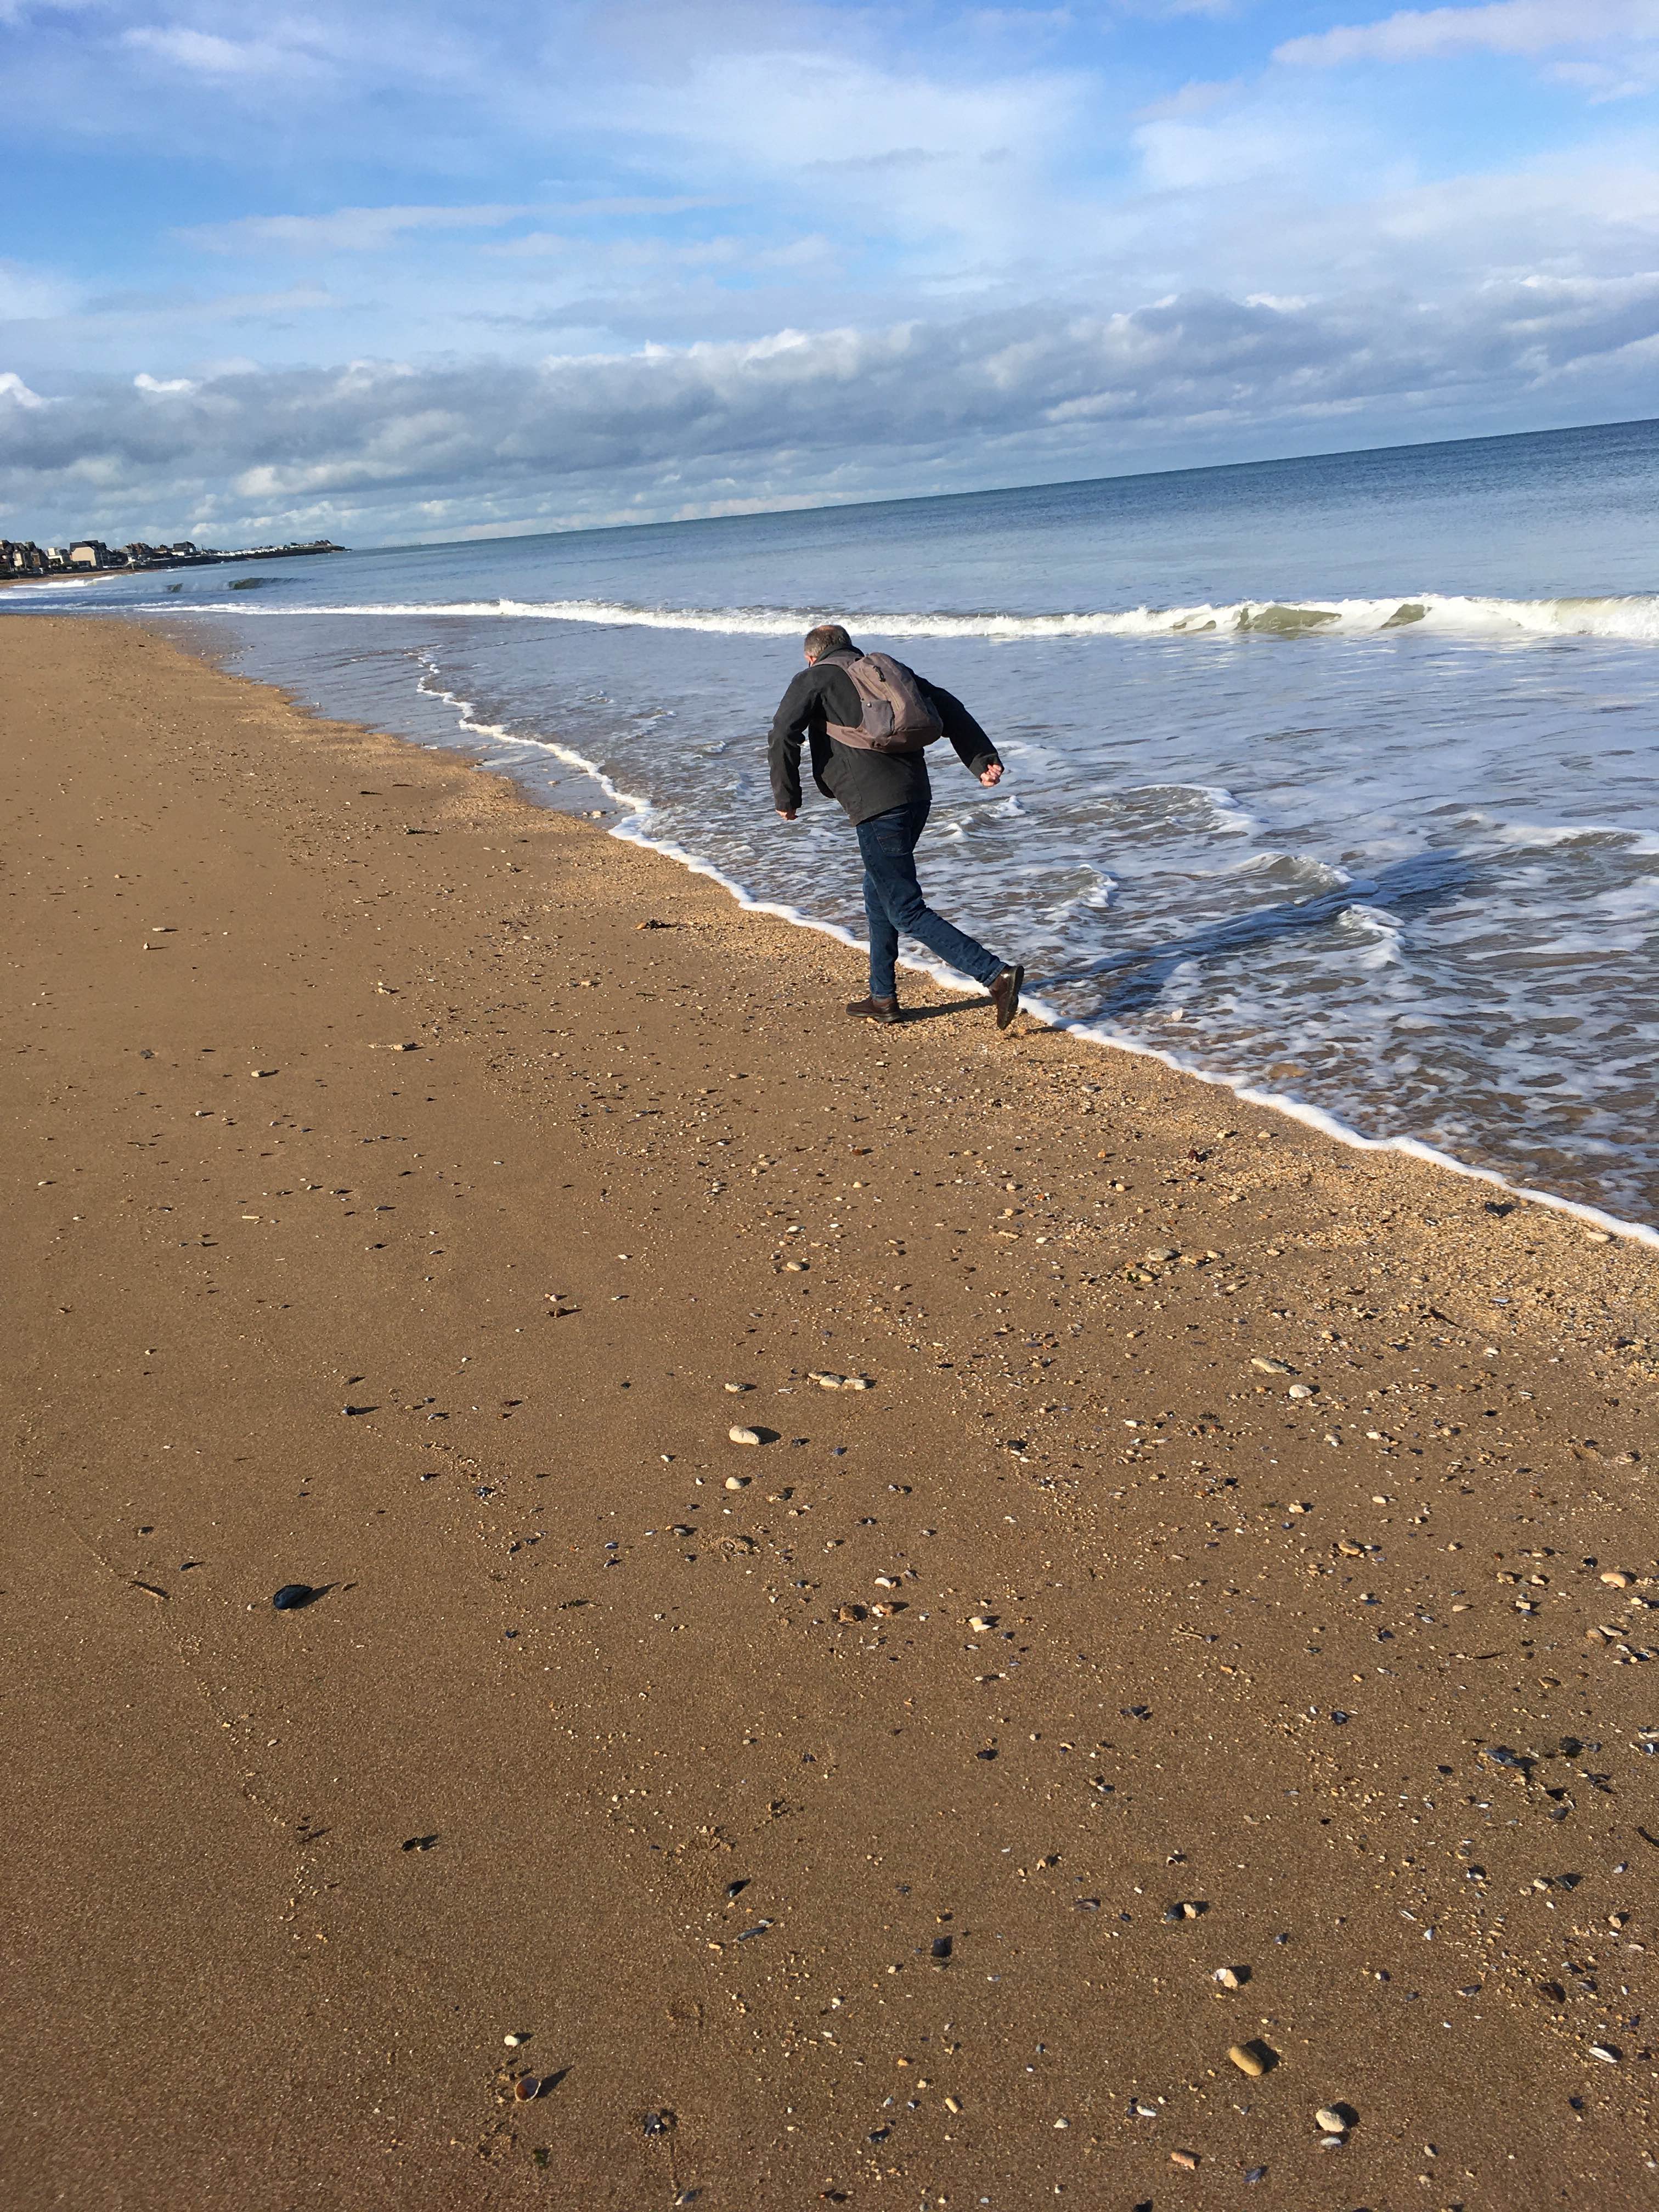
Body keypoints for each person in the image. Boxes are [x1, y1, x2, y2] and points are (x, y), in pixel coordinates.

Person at [768, 623, 1024, 1028]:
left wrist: (787, 797)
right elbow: (948, 706)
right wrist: (981, 760)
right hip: (916, 797)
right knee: (879, 894)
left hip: (876, 806)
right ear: (849, 646)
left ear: (811, 657)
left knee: (904, 908)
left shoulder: (814, 678)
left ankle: (995, 975)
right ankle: (883, 997)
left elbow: (783, 733)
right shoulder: (886, 670)